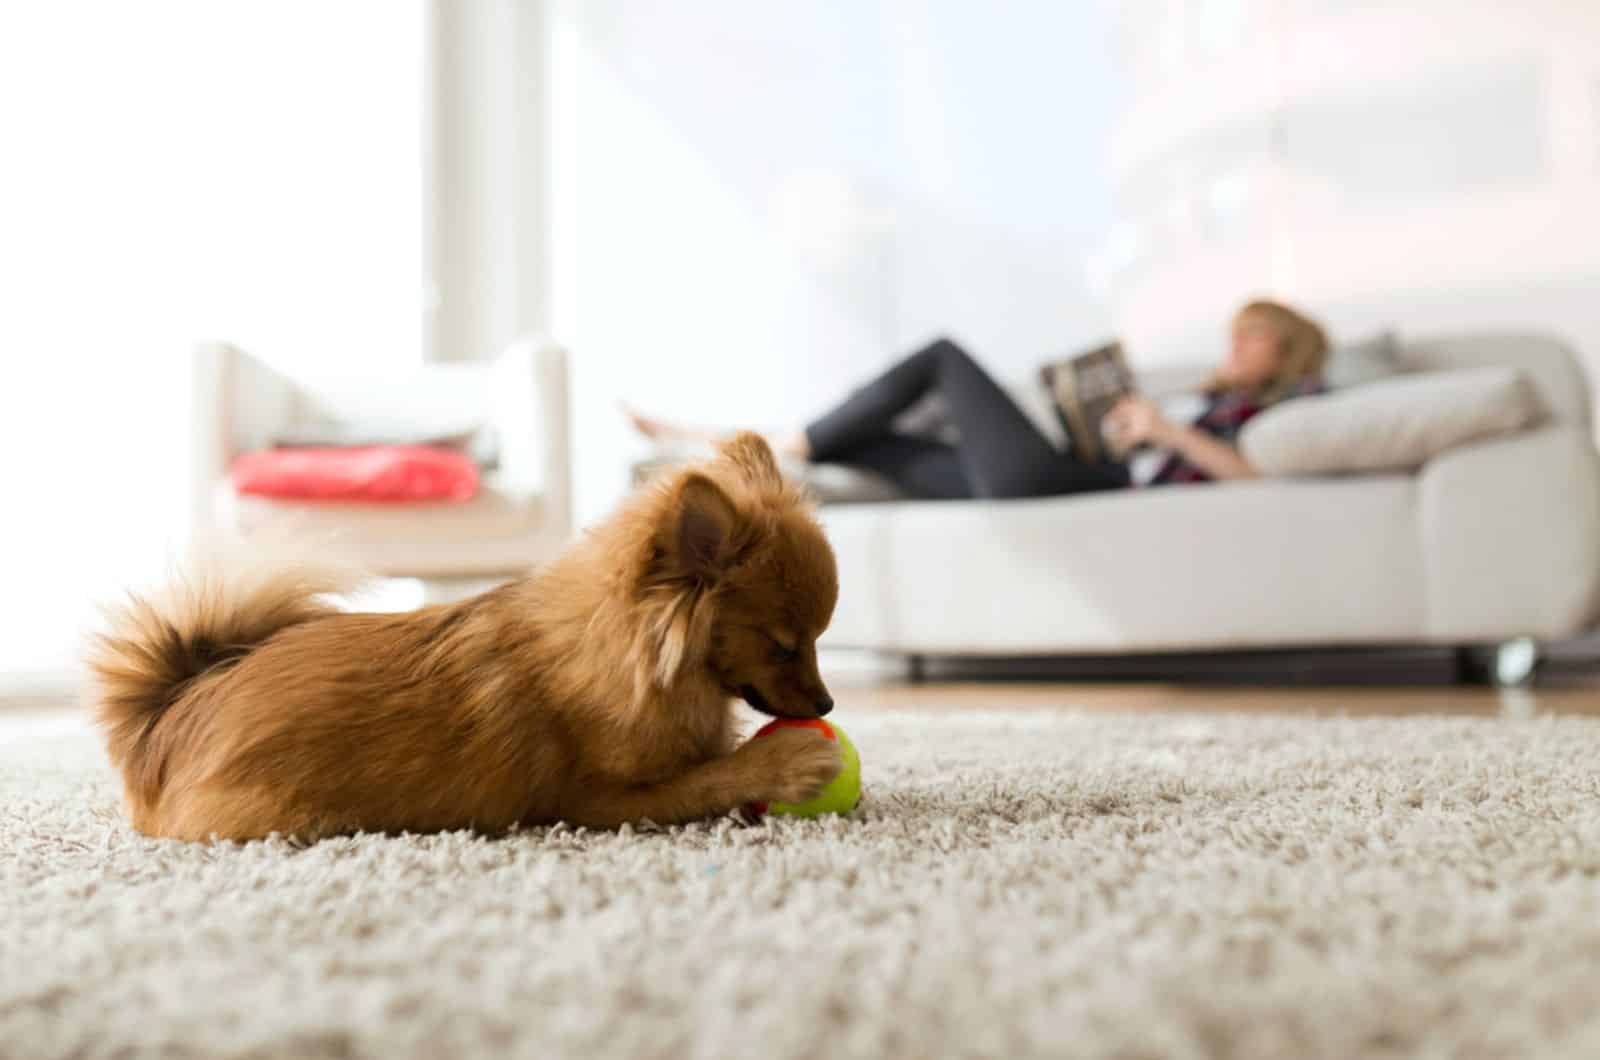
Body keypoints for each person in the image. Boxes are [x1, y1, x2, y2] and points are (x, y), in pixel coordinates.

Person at [627, 299, 1329, 501]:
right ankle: (717, 448)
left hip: (1067, 482)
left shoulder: (1284, 407)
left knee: (942, 355)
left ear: (1288, 349)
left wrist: (1165, 433)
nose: (1235, 346)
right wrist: (1127, 425)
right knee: (879, 445)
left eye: (1255, 337)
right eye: (1234, 334)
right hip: (1079, 465)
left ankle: (786, 439)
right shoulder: (1207, 396)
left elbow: (1251, 473)